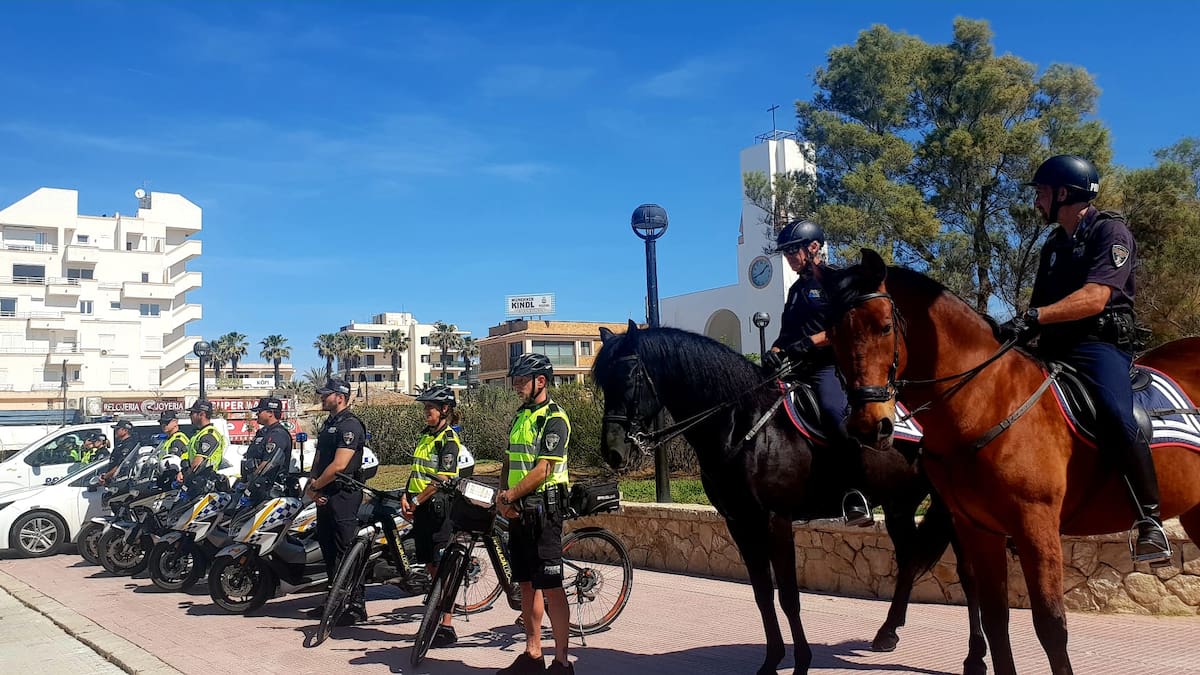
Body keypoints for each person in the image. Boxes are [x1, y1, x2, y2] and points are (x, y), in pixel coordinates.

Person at [1002, 154, 1170, 564]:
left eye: (1042, 193)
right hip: (1053, 346)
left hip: (1099, 345)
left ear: (1065, 193)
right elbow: (1041, 306)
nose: (1037, 201)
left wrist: (1034, 317)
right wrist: (1013, 334)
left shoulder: (1110, 231)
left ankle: (1149, 521)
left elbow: (1095, 297)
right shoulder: (1053, 245)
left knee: (1115, 413)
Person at [762, 219, 873, 526]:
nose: (789, 257)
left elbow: (847, 327)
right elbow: (786, 335)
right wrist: (773, 353)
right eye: (786, 253)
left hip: (828, 367)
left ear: (813, 247)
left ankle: (857, 492)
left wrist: (811, 342)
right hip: (795, 368)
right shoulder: (796, 290)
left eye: (793, 251)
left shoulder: (836, 281)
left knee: (833, 413)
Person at [495, 353, 574, 675]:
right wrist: (503, 496)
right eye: (515, 380)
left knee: (551, 585)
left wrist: (511, 495)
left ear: (540, 381)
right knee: (527, 584)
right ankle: (532, 654)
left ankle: (562, 662)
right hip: (519, 511)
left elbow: (544, 470)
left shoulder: (554, 418)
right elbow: (509, 460)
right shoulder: (521, 416)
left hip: (544, 513)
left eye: (521, 380)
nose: (516, 386)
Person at [400, 384, 466, 648]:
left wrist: (416, 500)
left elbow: (442, 477)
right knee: (429, 563)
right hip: (421, 509)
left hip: (440, 510)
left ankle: (446, 625)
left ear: (444, 409)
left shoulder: (448, 440)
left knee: (443, 568)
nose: (426, 412)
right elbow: (416, 470)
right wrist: (406, 496)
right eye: (425, 407)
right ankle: (435, 612)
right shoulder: (425, 436)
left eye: (430, 408)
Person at [304, 378, 368, 624]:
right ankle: (333, 601)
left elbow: (340, 465)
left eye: (326, 394)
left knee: (346, 550)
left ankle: (355, 605)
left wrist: (317, 485)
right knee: (329, 548)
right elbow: (319, 458)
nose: (322, 397)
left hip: (344, 494)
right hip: (324, 494)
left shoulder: (350, 425)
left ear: (340, 397)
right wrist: (312, 485)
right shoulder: (329, 424)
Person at [240, 397, 294, 488]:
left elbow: (268, 463)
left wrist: (250, 484)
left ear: (270, 413)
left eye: (260, 411)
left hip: (269, 488)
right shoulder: (263, 432)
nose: (257, 414)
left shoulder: (278, 434)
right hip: (256, 486)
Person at [180, 400, 227, 483]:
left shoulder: (209, 435)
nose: (190, 415)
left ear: (202, 414)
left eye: (192, 413)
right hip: (198, 480)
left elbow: (198, 461)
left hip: (206, 480)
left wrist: (187, 476)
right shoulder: (199, 433)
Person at [100, 420, 139, 485]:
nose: (115, 431)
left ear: (125, 431)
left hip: (122, 481)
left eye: (117, 429)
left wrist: (105, 477)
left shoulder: (129, 444)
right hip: (115, 480)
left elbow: (121, 465)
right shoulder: (121, 444)